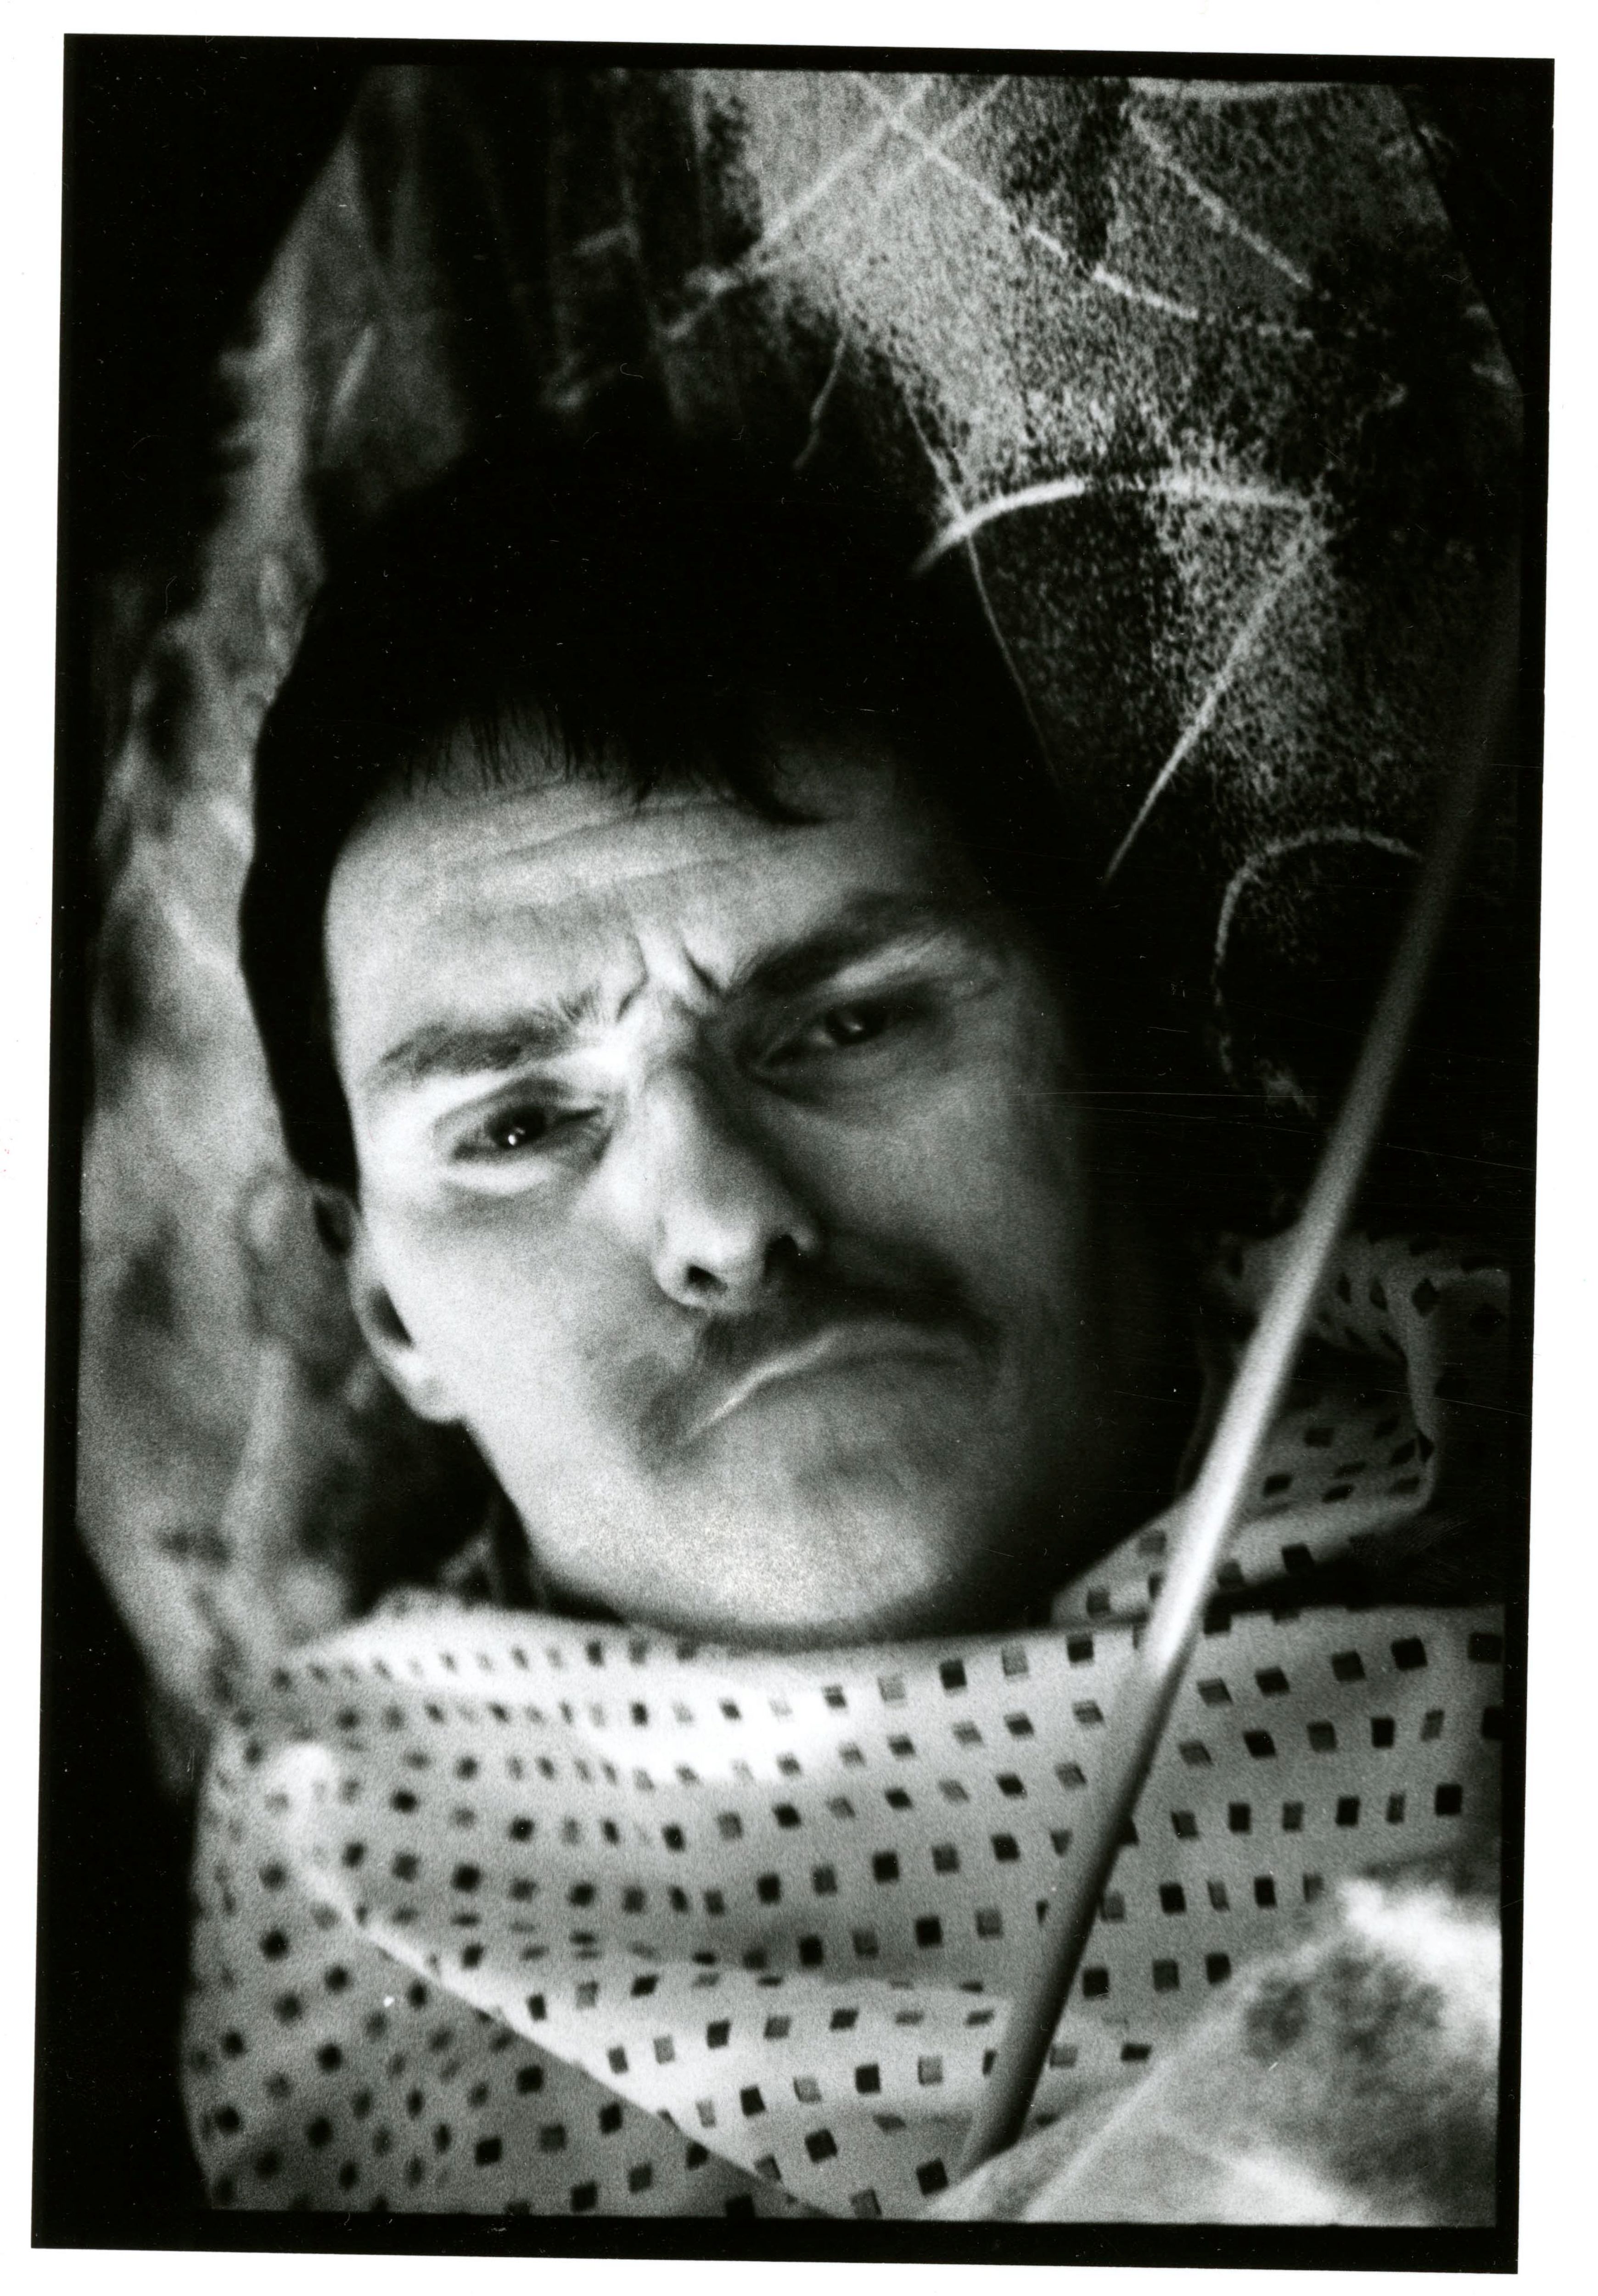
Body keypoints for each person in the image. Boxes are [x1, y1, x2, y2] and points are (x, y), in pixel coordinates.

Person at [182, 440, 1506, 2223]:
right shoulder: (335, 1871)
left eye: (848, 1026)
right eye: (519, 1124)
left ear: (1103, 1059)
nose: (729, 1225)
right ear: (386, 1310)